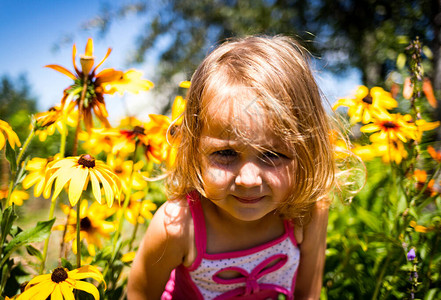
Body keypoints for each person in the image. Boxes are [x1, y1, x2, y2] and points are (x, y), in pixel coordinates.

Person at [128, 35, 336, 300]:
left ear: (307, 151)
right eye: (225, 153)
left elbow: (308, 294)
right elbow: (139, 294)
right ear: (193, 150)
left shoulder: (309, 211)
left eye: (273, 154)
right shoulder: (178, 227)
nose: (248, 180)